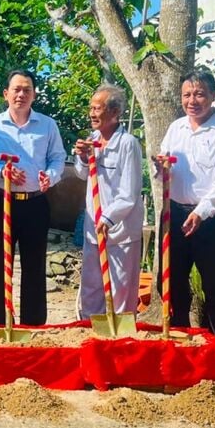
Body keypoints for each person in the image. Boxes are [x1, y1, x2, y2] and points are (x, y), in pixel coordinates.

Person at [159, 68, 215, 335]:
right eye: (187, 95)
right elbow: (164, 165)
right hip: (175, 215)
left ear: (213, 95)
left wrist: (202, 211)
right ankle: (180, 335)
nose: (192, 101)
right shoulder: (176, 128)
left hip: (211, 219)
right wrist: (160, 166)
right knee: (174, 283)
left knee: (214, 284)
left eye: (199, 94)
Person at [0, 70, 66, 325]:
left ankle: (33, 322)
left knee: (35, 264)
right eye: (16, 89)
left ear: (34, 94)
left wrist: (51, 176)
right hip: (0, 201)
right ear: (6, 94)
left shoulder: (48, 125)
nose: (21, 94)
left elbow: (58, 157)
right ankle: (1, 319)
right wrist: (0, 171)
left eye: (27, 89)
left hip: (35, 202)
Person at [73, 85, 144, 320]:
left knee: (121, 289)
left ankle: (119, 339)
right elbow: (82, 175)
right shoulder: (91, 139)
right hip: (94, 227)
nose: (92, 113)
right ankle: (88, 330)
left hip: (120, 229)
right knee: (92, 285)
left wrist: (108, 218)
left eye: (98, 108)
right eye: (91, 108)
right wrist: (83, 157)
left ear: (114, 112)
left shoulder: (128, 144)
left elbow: (130, 193)